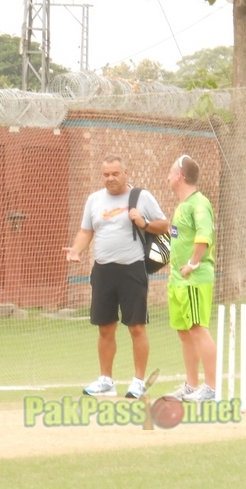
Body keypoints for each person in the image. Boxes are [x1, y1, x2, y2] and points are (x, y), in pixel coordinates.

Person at [63, 155, 170, 398]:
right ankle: (106, 381)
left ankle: (138, 382)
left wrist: (143, 223)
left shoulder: (141, 197)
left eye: (115, 174)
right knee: (105, 328)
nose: (110, 178)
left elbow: (164, 225)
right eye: (106, 174)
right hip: (103, 271)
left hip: (132, 269)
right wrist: (76, 250)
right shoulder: (94, 200)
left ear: (125, 172)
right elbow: (85, 231)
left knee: (136, 327)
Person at [163, 154, 218, 402]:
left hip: (194, 278)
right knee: (184, 332)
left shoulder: (199, 203)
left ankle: (211, 387)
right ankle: (191, 384)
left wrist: (192, 264)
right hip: (177, 280)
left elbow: (204, 236)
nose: (168, 176)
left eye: (171, 171)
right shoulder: (182, 205)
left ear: (180, 176)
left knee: (197, 329)